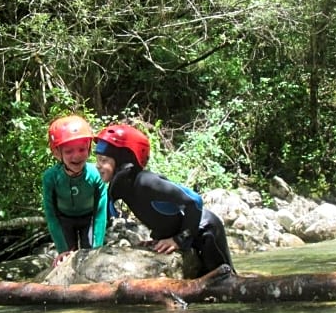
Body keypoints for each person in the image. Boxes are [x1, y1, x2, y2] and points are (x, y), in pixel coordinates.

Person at [94, 124, 234, 276]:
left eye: (103, 160)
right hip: (183, 232)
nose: (98, 165)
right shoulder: (121, 188)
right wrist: (159, 238)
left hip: (205, 230)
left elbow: (195, 201)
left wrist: (179, 239)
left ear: (123, 160)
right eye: (98, 159)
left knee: (224, 279)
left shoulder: (146, 182)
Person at [42, 115, 108, 266]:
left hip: (89, 219)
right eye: (69, 151)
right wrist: (62, 249)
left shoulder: (95, 175)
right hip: (64, 220)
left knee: (90, 259)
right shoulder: (51, 178)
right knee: (67, 259)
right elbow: (51, 215)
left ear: (89, 148)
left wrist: (97, 247)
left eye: (82, 149)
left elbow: (100, 213)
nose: (76, 156)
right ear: (57, 153)